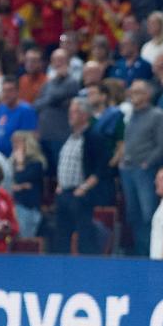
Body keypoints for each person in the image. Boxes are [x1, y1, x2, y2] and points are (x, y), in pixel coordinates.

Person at [120, 80, 163, 256]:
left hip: (145, 170)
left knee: (147, 214)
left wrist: (148, 163)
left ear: (147, 95)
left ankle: (150, 252)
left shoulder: (156, 115)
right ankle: (138, 252)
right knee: (133, 215)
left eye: (137, 92)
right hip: (128, 169)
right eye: (131, 92)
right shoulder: (130, 115)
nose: (132, 96)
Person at [54, 98, 110, 254]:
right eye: (70, 112)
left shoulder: (94, 137)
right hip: (64, 192)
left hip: (80, 194)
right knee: (61, 235)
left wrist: (84, 188)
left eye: (75, 112)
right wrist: (59, 185)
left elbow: (101, 168)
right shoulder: (68, 136)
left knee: (84, 235)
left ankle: (85, 268)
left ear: (85, 115)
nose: (71, 115)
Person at [10, 130, 46, 238]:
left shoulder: (36, 164)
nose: (15, 146)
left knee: (23, 238)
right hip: (13, 205)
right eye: (13, 143)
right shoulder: (12, 162)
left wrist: (20, 163)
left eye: (18, 143)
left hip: (28, 207)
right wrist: (19, 186)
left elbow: (20, 178)